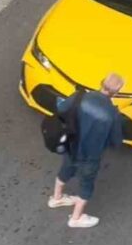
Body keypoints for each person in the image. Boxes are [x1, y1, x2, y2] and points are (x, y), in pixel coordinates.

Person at [47, 73, 125, 228]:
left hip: (71, 146)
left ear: (101, 82)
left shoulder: (80, 97)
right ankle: (76, 218)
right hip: (90, 155)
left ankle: (57, 198)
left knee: (65, 169)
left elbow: (61, 107)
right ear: (116, 92)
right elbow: (116, 141)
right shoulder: (112, 114)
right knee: (87, 185)